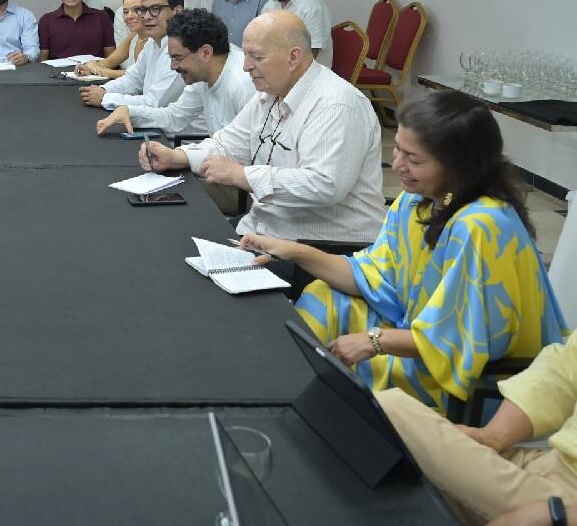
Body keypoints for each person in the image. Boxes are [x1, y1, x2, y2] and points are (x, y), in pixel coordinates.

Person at [240, 91, 565, 415]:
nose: (397, 166)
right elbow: (369, 277)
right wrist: (293, 250)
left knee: (349, 366)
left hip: (466, 374)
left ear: (458, 165)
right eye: (397, 149)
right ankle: (286, 393)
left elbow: (456, 340)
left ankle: (319, 409)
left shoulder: (482, 226)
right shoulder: (415, 201)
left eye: (414, 159)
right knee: (326, 295)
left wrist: (374, 341)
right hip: (418, 333)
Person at [140, 11, 385, 242]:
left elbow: (323, 185)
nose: (246, 66)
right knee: (166, 235)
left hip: (319, 247)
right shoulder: (269, 93)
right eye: (245, 55)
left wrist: (242, 174)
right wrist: (177, 157)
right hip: (266, 230)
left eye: (257, 57)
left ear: (293, 57)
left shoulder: (336, 105)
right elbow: (227, 144)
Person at [376, 333, 577, 524]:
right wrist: (492, 437)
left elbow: (445, 339)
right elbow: (563, 368)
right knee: (393, 474)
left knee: (390, 409)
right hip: (550, 461)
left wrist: (560, 516)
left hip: (565, 503)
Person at [96, 8, 254, 138]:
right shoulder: (202, 75)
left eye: (178, 58)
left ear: (205, 53)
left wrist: (184, 156)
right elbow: (174, 117)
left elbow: (246, 155)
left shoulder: (243, 86)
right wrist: (130, 111)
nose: (173, 67)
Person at [79, 0, 186, 111]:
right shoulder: (153, 42)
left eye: (155, 9)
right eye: (144, 10)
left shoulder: (183, 49)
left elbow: (154, 103)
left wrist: (104, 98)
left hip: (184, 131)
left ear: (178, 11)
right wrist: (103, 89)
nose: (146, 17)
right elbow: (133, 79)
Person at [37, 0, 115, 62]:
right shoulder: (46, 21)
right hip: (57, 75)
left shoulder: (102, 18)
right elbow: (42, 62)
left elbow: (111, 59)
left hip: (94, 75)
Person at [74, 0, 148, 79]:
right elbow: (109, 62)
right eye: (125, 12)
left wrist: (98, 70)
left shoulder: (157, 39)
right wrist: (87, 67)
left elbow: (141, 75)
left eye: (136, 10)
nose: (129, 16)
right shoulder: (134, 36)